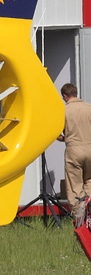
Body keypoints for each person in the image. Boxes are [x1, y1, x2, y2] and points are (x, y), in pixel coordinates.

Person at [59, 83, 91, 223]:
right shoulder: (89, 108)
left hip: (73, 150)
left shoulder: (64, 111)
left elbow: (55, 132)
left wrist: (64, 138)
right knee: (89, 181)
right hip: (90, 148)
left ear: (65, 96)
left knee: (75, 186)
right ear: (76, 93)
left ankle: (79, 220)